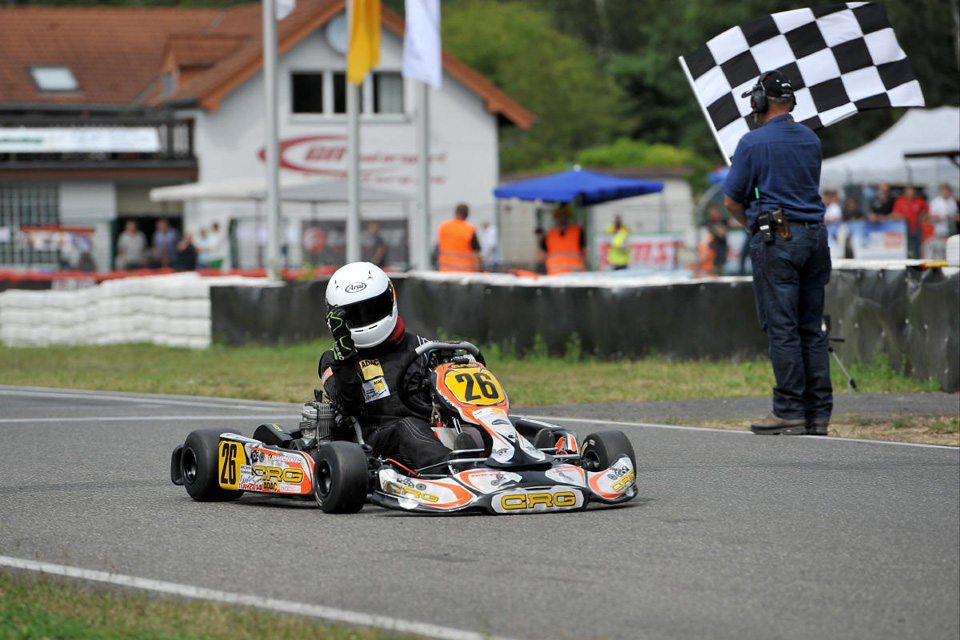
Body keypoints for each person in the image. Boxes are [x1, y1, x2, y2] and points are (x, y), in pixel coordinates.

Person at [722, 70, 832, 436]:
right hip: (815, 238)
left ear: (759, 103)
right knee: (811, 329)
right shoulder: (811, 140)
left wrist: (752, 226)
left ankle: (787, 410)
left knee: (782, 328)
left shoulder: (753, 143)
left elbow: (731, 200)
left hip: (778, 240)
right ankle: (817, 414)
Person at [319, 262, 453, 469]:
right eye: (354, 315)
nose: (366, 319)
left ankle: (510, 458)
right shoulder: (332, 360)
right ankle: (451, 470)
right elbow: (348, 404)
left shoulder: (425, 348)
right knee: (408, 426)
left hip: (432, 433)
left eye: (372, 309)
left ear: (390, 299)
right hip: (373, 442)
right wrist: (345, 355)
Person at [539, 205, 586, 275]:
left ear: (569, 216)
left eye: (565, 215)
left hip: (575, 274)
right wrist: (537, 238)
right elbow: (540, 258)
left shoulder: (577, 231)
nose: (562, 217)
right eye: (560, 215)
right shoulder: (549, 235)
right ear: (556, 217)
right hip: (555, 274)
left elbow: (584, 252)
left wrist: (582, 265)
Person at [435, 203, 481, 272]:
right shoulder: (469, 229)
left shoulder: (443, 227)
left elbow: (439, 247)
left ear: (455, 213)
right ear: (467, 215)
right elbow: (476, 253)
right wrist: (479, 271)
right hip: (465, 273)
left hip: (445, 271)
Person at [891, 185, 928, 258]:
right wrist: (902, 217)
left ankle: (918, 262)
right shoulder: (900, 201)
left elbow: (926, 211)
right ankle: (910, 262)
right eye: (909, 192)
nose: (911, 194)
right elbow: (895, 214)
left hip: (918, 228)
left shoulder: (919, 201)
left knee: (918, 247)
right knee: (908, 247)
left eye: (912, 192)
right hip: (906, 229)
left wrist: (922, 217)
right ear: (905, 193)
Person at [703, 205, 729, 274]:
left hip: (721, 245)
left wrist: (715, 229)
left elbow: (722, 234)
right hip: (712, 246)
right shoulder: (709, 222)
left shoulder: (723, 221)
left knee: (720, 264)